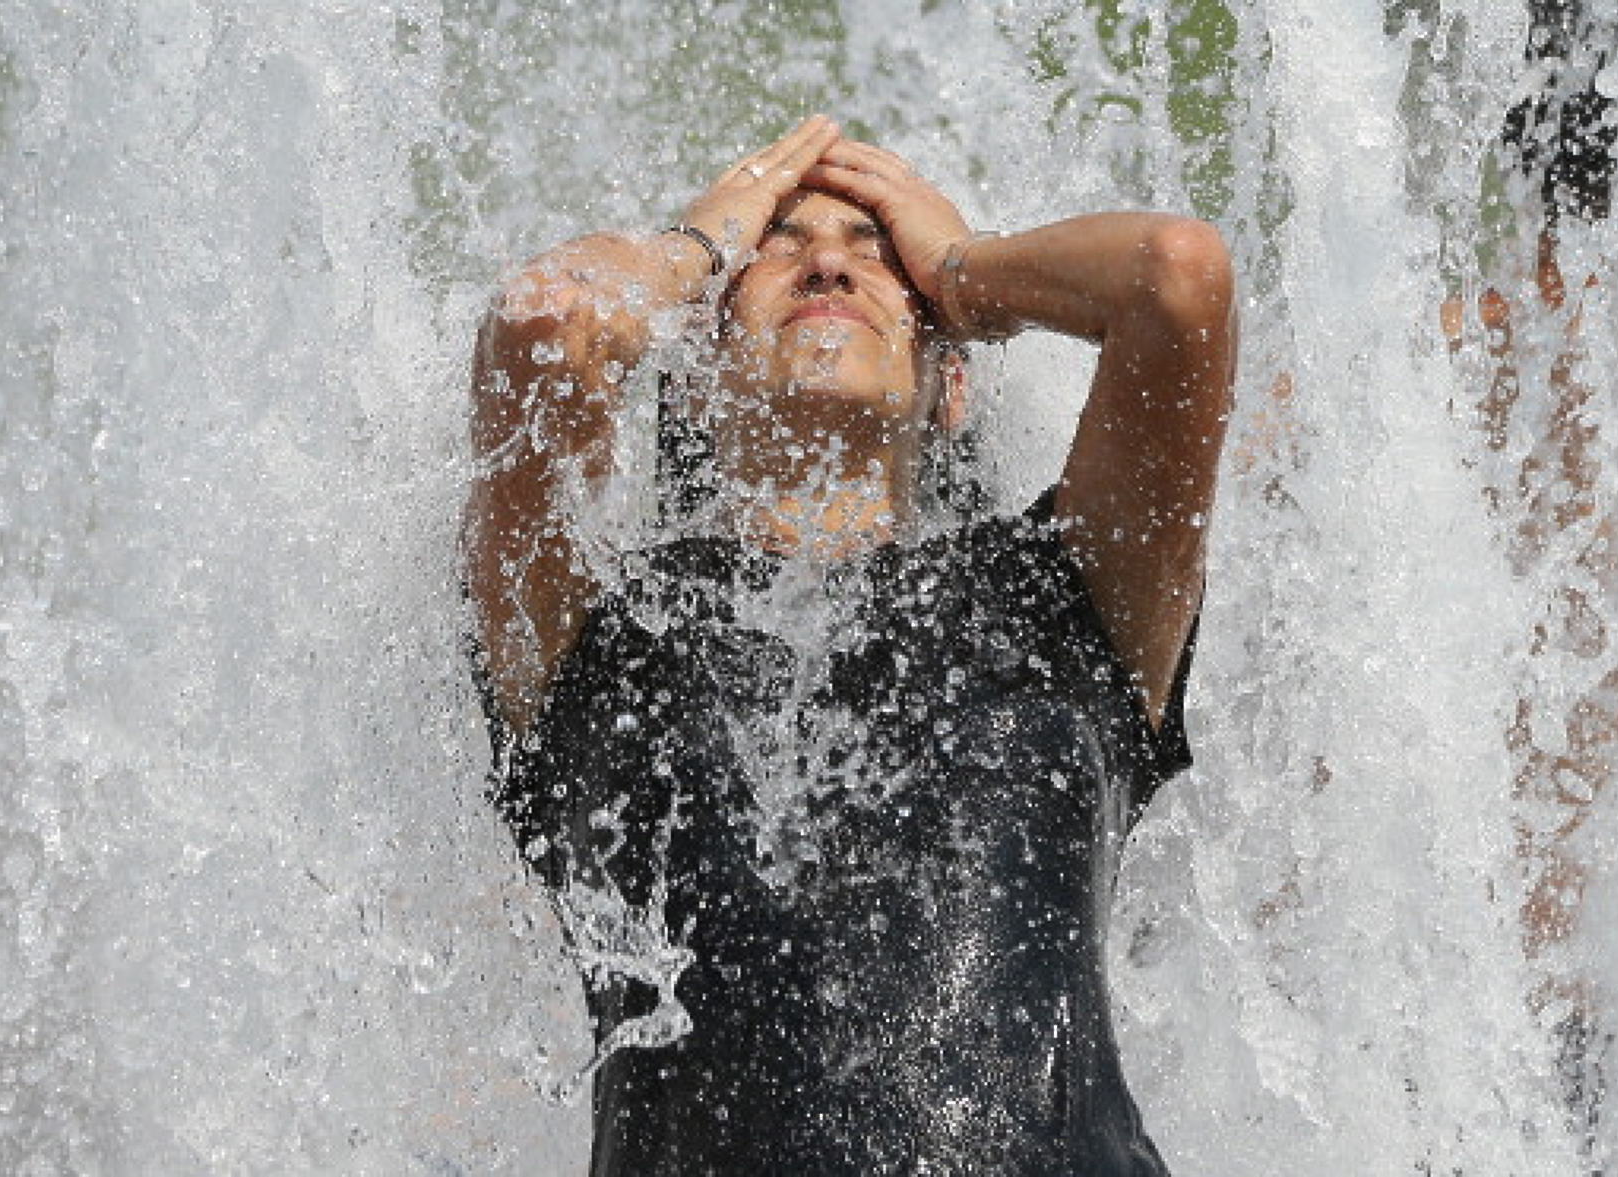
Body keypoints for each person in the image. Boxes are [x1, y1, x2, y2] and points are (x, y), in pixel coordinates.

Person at [466, 114, 1234, 1174]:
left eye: (879, 254)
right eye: (775, 246)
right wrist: (693, 250)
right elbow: (545, 326)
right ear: (688, 376)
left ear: (950, 384)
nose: (827, 261)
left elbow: (1175, 280)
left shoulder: (1064, 603)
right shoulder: (601, 632)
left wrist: (966, 276)